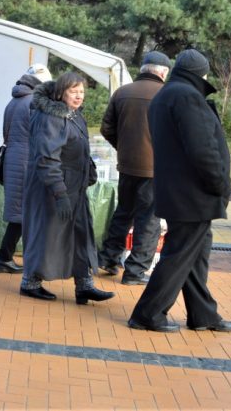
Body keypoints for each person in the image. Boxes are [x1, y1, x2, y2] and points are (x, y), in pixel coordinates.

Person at [129, 49, 231, 334]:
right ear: (201, 73)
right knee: (179, 254)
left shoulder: (166, 95)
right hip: (194, 194)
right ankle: (147, 313)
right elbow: (203, 150)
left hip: (177, 191)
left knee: (194, 255)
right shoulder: (188, 97)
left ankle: (204, 314)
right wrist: (220, 184)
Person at [19, 72, 114, 305]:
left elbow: (80, 149)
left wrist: (88, 171)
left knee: (81, 234)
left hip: (75, 187)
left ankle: (84, 285)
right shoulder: (50, 118)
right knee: (47, 235)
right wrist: (59, 193)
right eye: (74, 91)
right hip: (52, 188)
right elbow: (46, 158)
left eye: (81, 91)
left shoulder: (75, 116)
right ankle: (30, 282)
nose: (79, 96)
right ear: (61, 92)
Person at [97, 51, 170, 285]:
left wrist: (124, 147)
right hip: (155, 169)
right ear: (163, 72)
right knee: (148, 220)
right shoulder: (167, 95)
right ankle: (135, 271)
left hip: (127, 166)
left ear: (143, 69)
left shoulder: (122, 92)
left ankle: (108, 259)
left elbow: (106, 128)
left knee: (123, 212)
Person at [0, 63, 52, 274]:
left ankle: (6, 258)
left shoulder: (14, 101)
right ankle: (16, 259)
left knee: (22, 213)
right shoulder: (35, 102)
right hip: (28, 161)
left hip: (14, 159)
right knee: (28, 213)